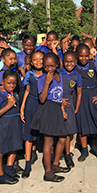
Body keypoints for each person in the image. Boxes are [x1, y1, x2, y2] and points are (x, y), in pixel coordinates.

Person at [31, 52, 70, 182]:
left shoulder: (60, 76)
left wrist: (62, 106)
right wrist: (47, 83)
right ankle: (48, 173)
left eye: (52, 66)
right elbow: (42, 99)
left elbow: (58, 96)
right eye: (46, 66)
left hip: (57, 109)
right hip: (47, 108)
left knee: (63, 138)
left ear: (57, 65)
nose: (49, 69)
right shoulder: (42, 79)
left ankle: (55, 164)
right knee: (48, 141)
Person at [75, 43, 97, 162]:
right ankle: (84, 150)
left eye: (86, 55)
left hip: (93, 96)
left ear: (89, 55)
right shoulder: (74, 66)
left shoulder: (93, 64)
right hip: (80, 98)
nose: (83, 58)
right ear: (77, 56)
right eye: (81, 56)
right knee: (82, 125)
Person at [0, 69, 23, 185]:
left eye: (14, 83)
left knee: (13, 147)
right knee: (0, 151)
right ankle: (1, 176)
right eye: (9, 83)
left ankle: (8, 170)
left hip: (14, 125)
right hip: (2, 126)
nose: (12, 85)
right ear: (3, 82)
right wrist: (8, 106)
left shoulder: (14, 94)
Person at [20, 50, 44, 179]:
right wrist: (23, 106)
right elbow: (27, 90)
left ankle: (49, 162)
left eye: (41, 58)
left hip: (44, 106)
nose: (38, 61)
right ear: (31, 62)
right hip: (31, 104)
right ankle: (27, 164)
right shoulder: (29, 74)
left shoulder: (48, 74)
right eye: (35, 59)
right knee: (28, 134)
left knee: (46, 134)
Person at [59, 50, 82, 168]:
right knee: (56, 130)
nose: (69, 64)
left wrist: (76, 108)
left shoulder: (77, 76)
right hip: (57, 103)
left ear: (75, 62)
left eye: (72, 61)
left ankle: (68, 155)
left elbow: (78, 93)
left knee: (68, 131)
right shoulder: (59, 73)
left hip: (69, 105)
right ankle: (56, 155)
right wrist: (59, 99)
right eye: (66, 61)